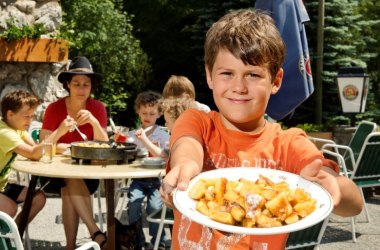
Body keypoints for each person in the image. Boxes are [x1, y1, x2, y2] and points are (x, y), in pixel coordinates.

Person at [160, 9, 363, 249]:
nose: (239, 87)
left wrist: (331, 185)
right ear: (209, 76)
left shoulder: (288, 143)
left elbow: (355, 204)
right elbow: (187, 146)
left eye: (253, 75)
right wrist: (186, 166)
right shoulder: (196, 121)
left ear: (275, 81)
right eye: (227, 73)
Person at [40, 56, 109, 249]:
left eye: (86, 84)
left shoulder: (98, 108)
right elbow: (43, 146)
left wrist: (94, 122)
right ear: (67, 84)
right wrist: (61, 132)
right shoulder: (54, 109)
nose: (81, 89)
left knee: (70, 186)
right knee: (69, 179)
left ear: (91, 87)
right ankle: (95, 232)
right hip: (55, 173)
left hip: (88, 173)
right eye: (77, 84)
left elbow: (104, 145)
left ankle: (70, 246)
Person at [126, 91, 170, 249]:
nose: (147, 116)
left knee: (155, 207)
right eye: (144, 112)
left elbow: (165, 156)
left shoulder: (163, 135)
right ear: (138, 111)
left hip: (157, 179)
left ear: (159, 114)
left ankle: (159, 240)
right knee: (133, 203)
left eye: (152, 113)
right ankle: (137, 240)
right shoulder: (132, 135)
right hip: (137, 179)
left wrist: (144, 139)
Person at [0, 90, 47, 227]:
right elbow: (34, 153)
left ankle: (14, 240)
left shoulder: (16, 126)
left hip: (2, 185)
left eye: (32, 116)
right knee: (10, 208)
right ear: (10, 114)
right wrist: (59, 132)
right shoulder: (4, 132)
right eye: (26, 116)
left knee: (38, 198)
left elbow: (36, 148)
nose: (30, 120)